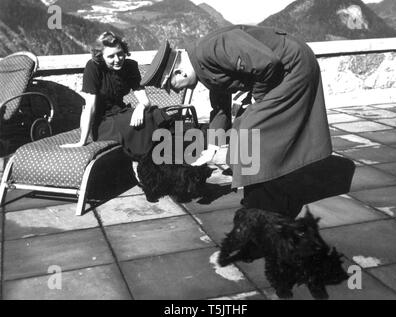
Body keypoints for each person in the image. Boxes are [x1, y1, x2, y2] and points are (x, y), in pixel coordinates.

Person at [141, 25, 333, 218]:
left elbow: (267, 63)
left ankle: (266, 205)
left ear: (179, 72)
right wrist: (212, 146)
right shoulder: (201, 64)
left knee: (252, 131)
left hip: (293, 67)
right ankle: (261, 193)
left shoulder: (211, 49)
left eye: (171, 86)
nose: (176, 91)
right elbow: (220, 106)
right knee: (243, 126)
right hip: (280, 70)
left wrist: (258, 100)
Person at [61, 31, 170, 160]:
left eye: (120, 54)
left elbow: (145, 100)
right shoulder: (93, 68)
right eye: (111, 56)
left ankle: (164, 155)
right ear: (101, 56)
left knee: (154, 113)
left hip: (121, 112)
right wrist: (82, 141)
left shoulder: (130, 66)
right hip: (102, 122)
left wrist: (141, 107)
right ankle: (148, 158)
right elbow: (90, 107)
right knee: (136, 123)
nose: (117, 60)